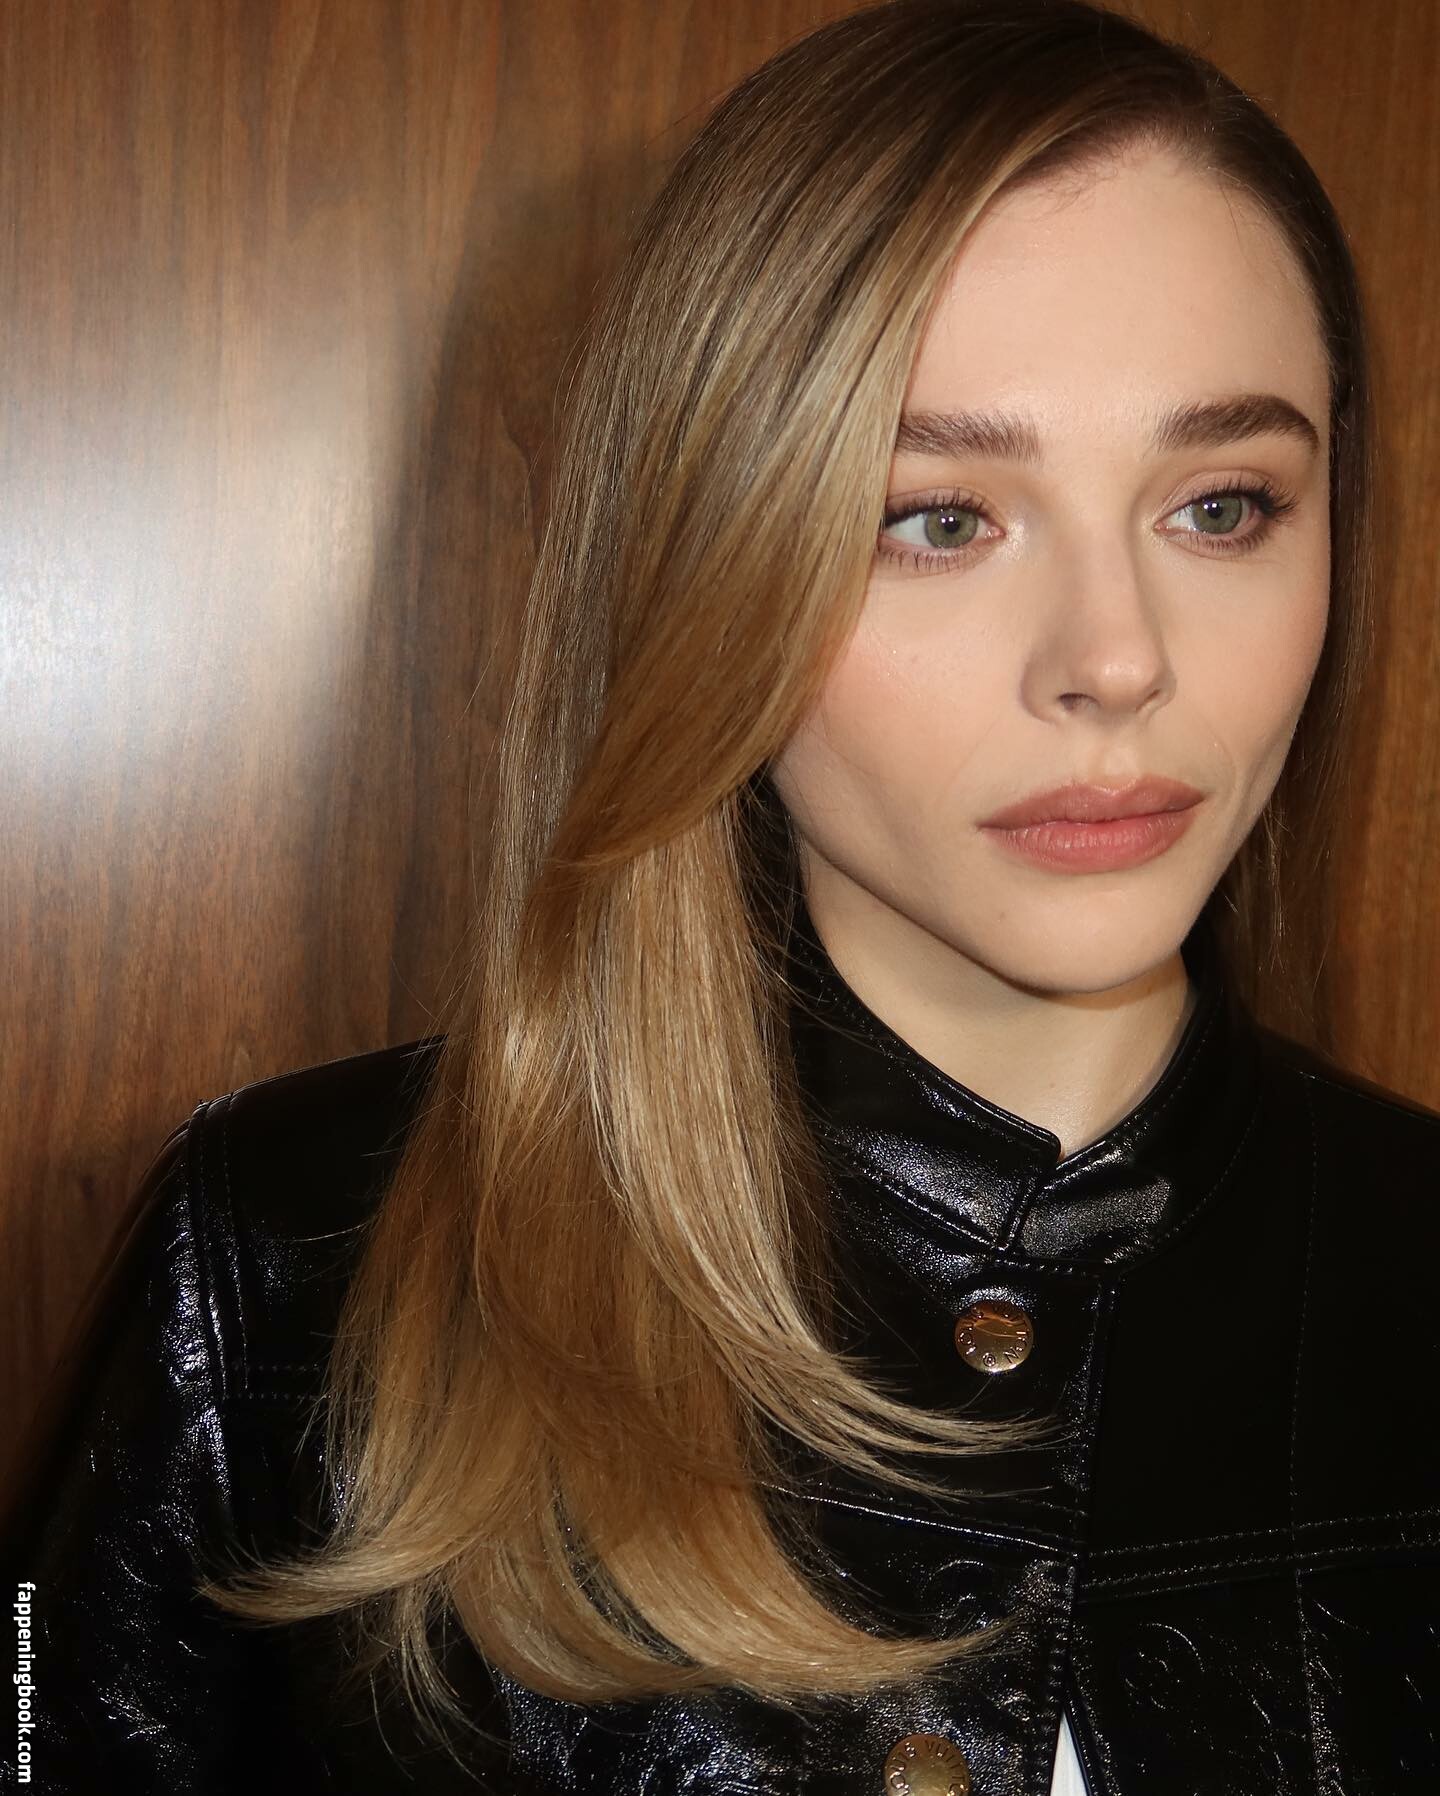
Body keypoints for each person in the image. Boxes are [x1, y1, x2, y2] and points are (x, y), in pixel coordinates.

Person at [3, 1, 1438, 1791]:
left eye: (1222, 506)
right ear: (708, 565)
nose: (1116, 659)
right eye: (936, 517)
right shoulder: (282, 1265)